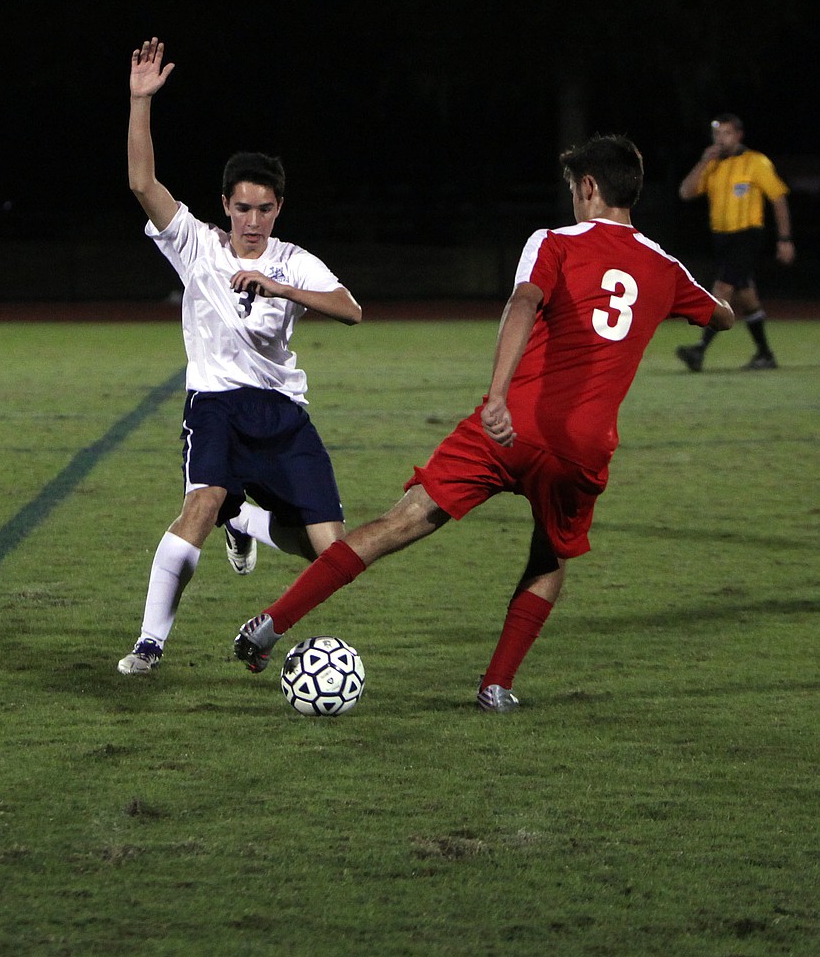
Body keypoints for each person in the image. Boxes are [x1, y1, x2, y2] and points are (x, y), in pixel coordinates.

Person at [231, 135, 735, 711]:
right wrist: (710, 299)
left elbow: (522, 302)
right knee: (549, 557)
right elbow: (721, 316)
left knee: (402, 521)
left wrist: (496, 396)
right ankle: (496, 685)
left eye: (574, 187)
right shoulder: (663, 266)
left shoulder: (554, 242)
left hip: (510, 426)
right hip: (583, 447)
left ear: (589, 187)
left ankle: (270, 625)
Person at [118, 38, 362, 675]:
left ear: (279, 208)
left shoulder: (292, 260)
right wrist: (141, 102)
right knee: (199, 504)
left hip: (283, 414)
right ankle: (149, 644)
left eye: (265, 209)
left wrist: (280, 287)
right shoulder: (197, 246)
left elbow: (351, 309)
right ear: (225, 205)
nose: (253, 220)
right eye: (243, 208)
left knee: (332, 555)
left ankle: (249, 523)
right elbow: (142, 182)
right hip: (217, 407)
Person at [675, 114, 795, 372]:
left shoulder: (755, 161)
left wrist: (784, 238)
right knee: (747, 297)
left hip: (748, 236)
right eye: (717, 134)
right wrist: (702, 162)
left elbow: (778, 198)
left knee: (723, 287)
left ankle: (699, 350)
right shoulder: (713, 164)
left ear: (738, 135)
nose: (721, 139)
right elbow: (685, 192)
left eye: (726, 133)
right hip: (722, 239)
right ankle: (765, 355)